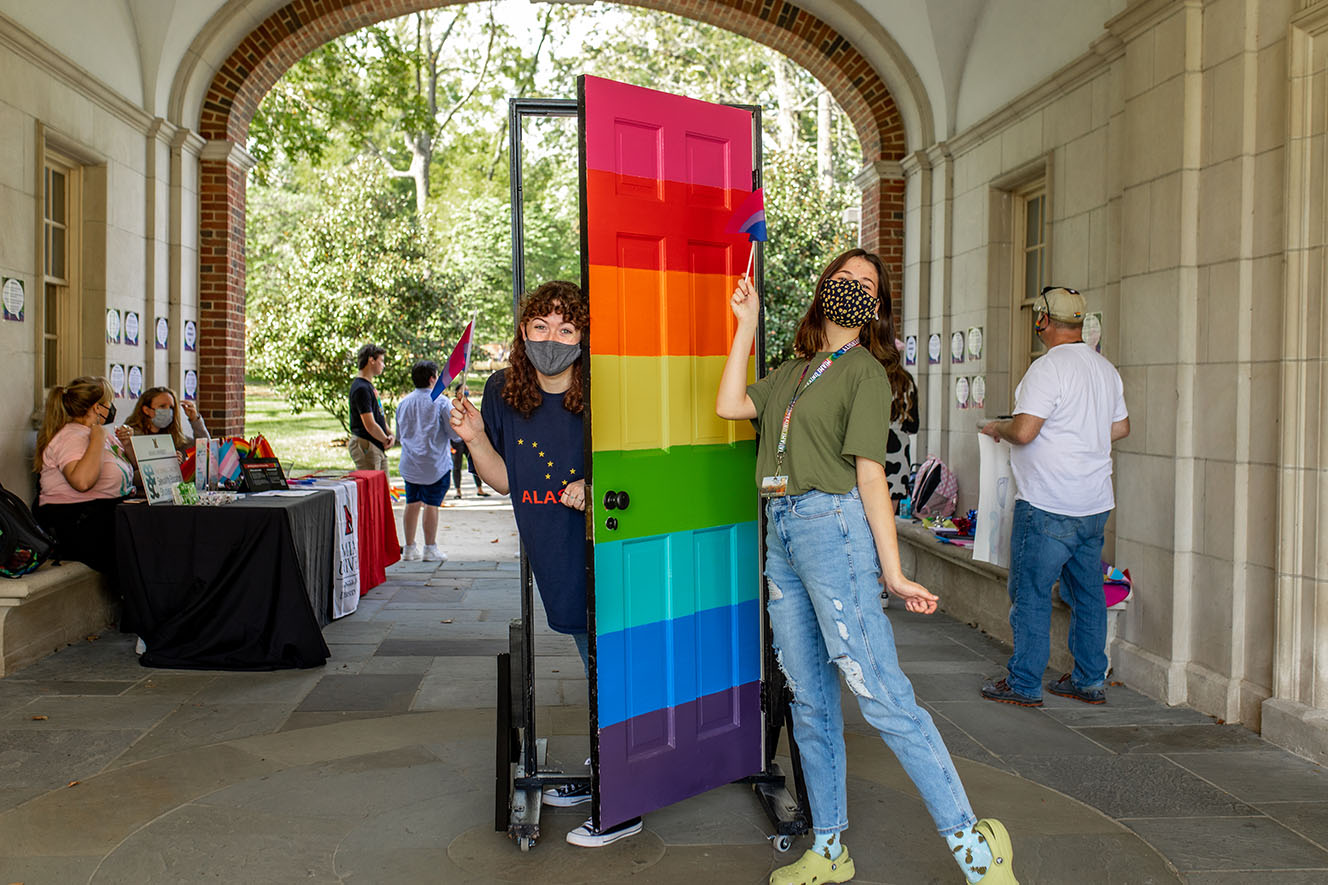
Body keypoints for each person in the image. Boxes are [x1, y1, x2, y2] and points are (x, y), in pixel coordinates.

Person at [716, 250, 1018, 885]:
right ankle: (829, 849)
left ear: (875, 307)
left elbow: (871, 477)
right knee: (809, 700)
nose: (852, 288)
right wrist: (744, 323)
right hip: (781, 534)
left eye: (866, 285)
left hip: (834, 531)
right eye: (843, 278)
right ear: (824, 288)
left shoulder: (867, 374)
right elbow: (728, 405)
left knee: (880, 694)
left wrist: (894, 570)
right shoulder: (794, 371)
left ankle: (976, 851)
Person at [450, 280, 641, 850]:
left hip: (606, 545)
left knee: (612, 665)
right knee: (593, 660)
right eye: (540, 327)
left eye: (566, 328)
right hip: (551, 549)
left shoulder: (607, 390)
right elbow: (507, 478)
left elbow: (640, 464)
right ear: (523, 333)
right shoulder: (500, 391)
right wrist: (477, 437)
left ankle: (625, 795)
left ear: (583, 337)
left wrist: (598, 482)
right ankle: (606, 764)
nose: (552, 339)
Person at [979, 286, 1129, 708]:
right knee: (1088, 595)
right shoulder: (1104, 369)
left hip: (1047, 503)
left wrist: (997, 427)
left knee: (1030, 593)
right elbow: (1120, 428)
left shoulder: (1046, 370)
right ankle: (1088, 680)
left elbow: (1025, 431)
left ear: (1042, 321)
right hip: (1094, 504)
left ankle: (1024, 682)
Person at [32, 376, 136, 588]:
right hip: (80, 522)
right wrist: (96, 438)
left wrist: (127, 444)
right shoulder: (71, 437)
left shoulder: (100, 433)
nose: (112, 408)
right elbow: (82, 481)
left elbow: (129, 473)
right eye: (108, 402)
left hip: (109, 514)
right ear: (98, 407)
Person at [394, 360, 461, 562]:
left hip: (410, 463)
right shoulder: (441, 402)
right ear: (433, 378)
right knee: (432, 504)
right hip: (435, 464)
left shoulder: (403, 403)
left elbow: (399, 434)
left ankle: (409, 548)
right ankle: (430, 548)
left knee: (411, 503)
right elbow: (454, 434)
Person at [124, 386, 209, 453]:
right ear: (146, 410)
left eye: (171, 407)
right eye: (162, 406)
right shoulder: (131, 436)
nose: (168, 411)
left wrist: (195, 419)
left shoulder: (174, 437)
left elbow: (204, 449)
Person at [348, 343, 393, 472]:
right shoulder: (361, 388)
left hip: (378, 445)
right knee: (372, 490)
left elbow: (379, 415)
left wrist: (390, 434)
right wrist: (385, 439)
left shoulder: (369, 387)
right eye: (381, 361)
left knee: (383, 489)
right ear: (371, 360)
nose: (383, 365)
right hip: (367, 444)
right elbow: (369, 424)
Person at [449, 385, 490, 499]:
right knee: (457, 466)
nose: (466, 391)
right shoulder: (451, 406)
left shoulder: (471, 406)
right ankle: (458, 491)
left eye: (467, 389)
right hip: (456, 441)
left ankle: (480, 489)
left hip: (470, 441)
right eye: (463, 390)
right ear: (457, 392)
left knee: (475, 464)